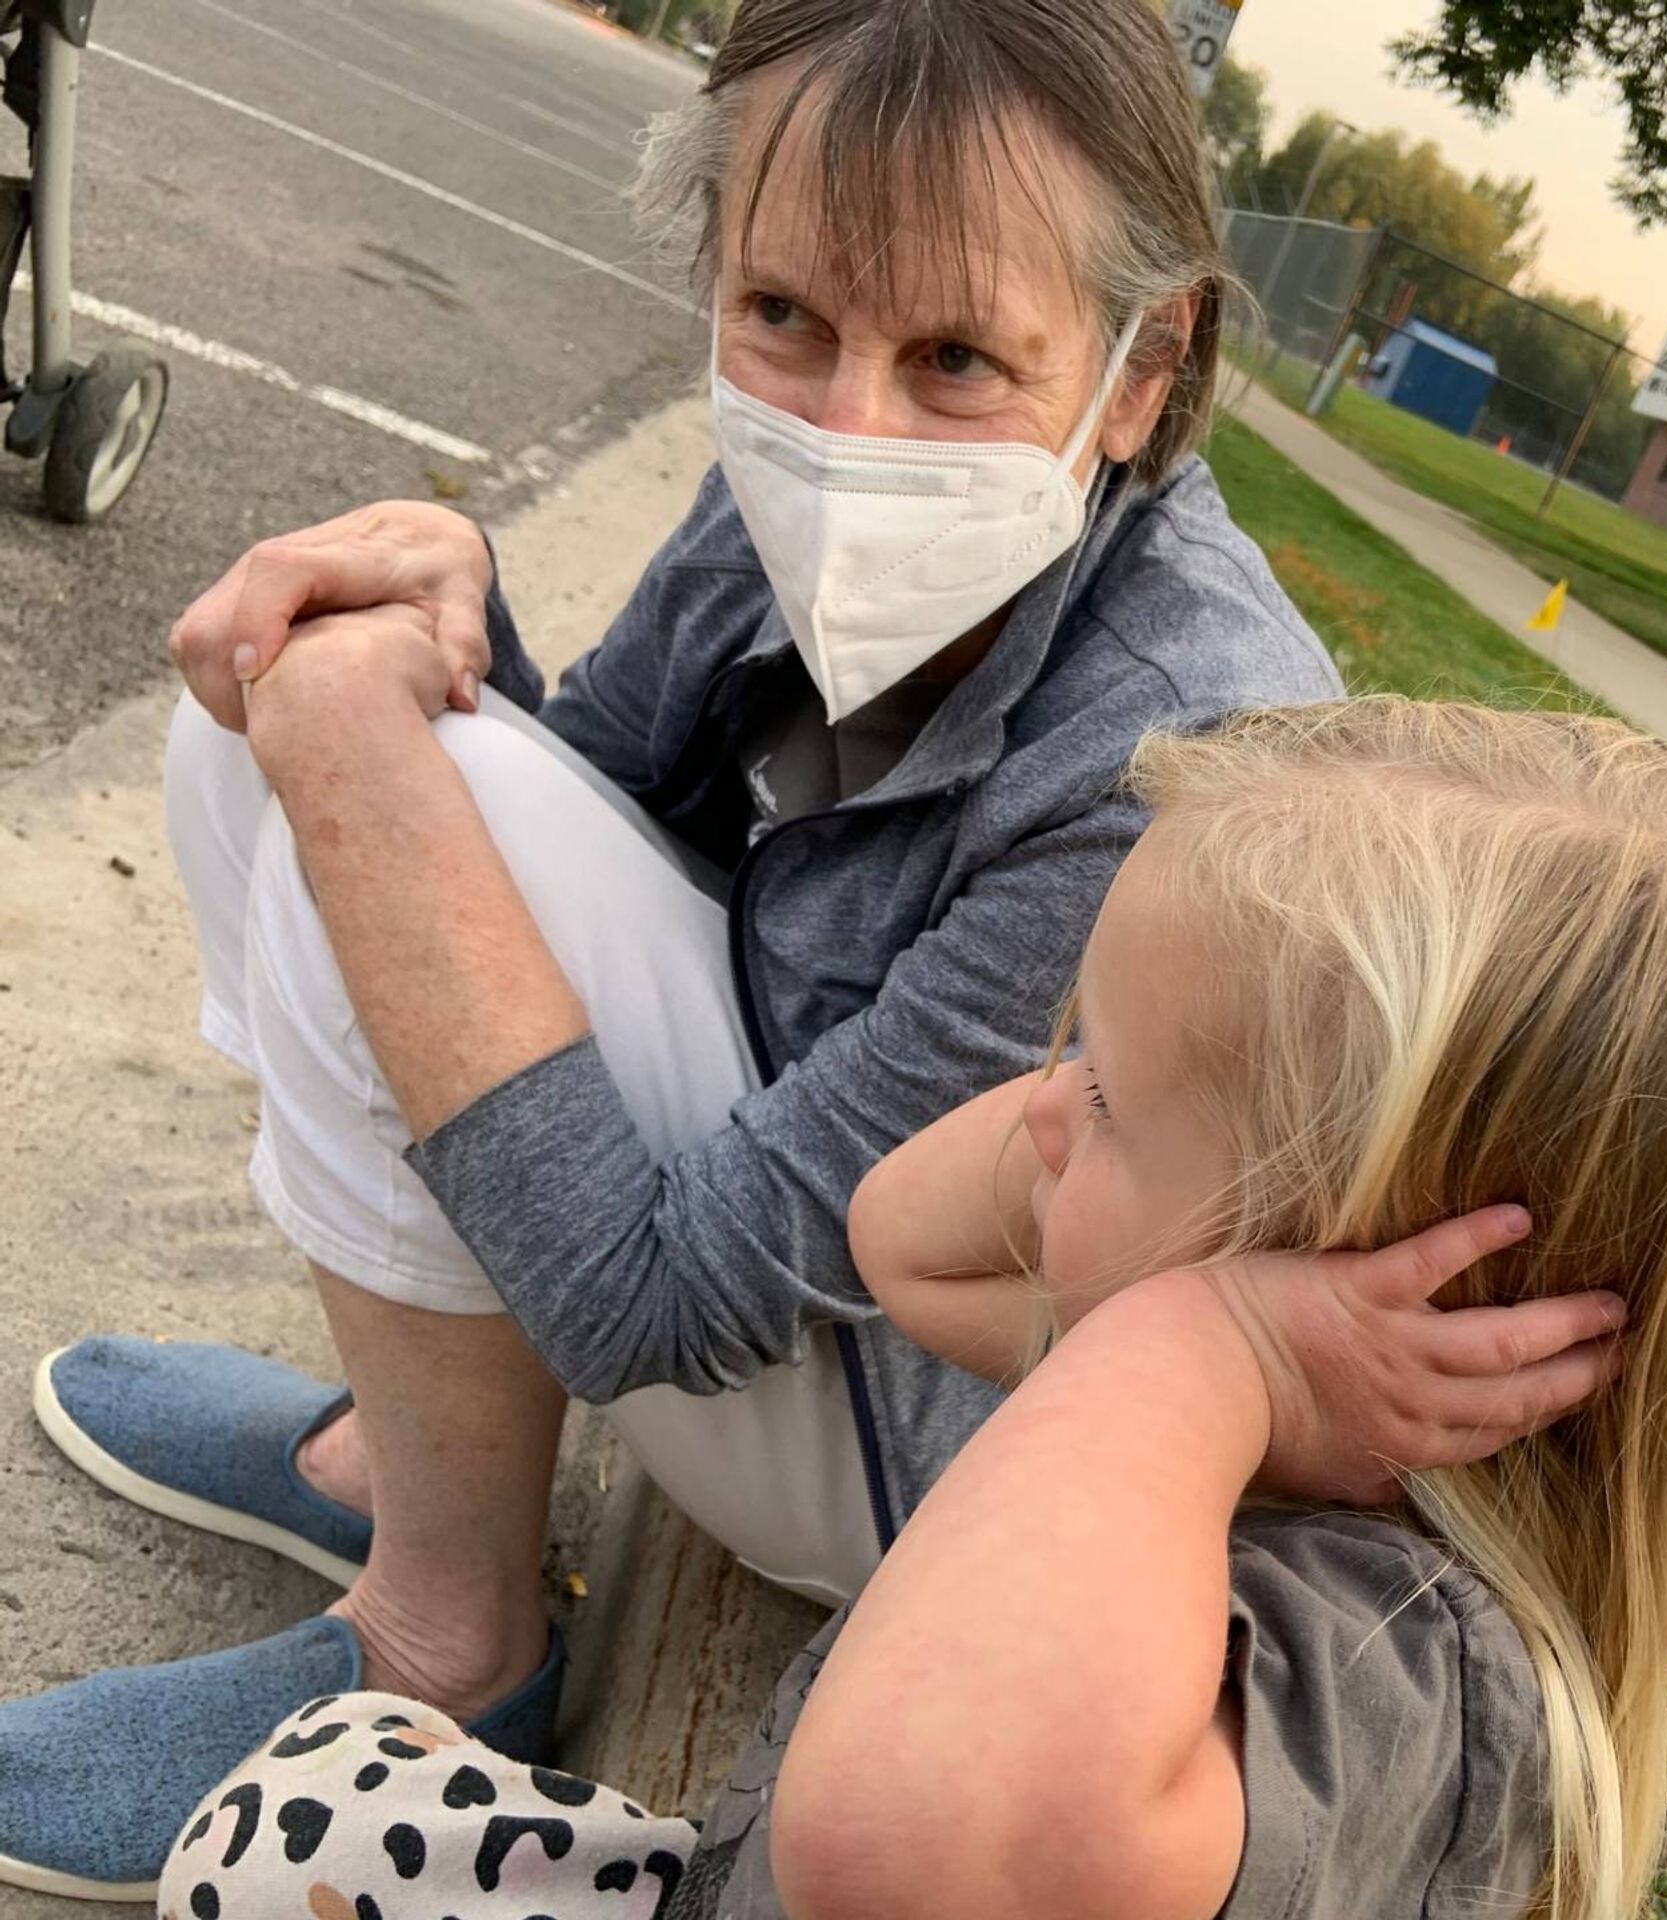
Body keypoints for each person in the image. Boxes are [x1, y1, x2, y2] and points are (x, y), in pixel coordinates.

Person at [0, 0, 1559, 1895]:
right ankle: (395, 1465)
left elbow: (656, 1299)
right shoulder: (788, 480)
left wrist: (377, 745)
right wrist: (452, 616)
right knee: (279, 706)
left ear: (1142, 374)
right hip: (785, 1271)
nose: (848, 423)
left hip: (942, 1439)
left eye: (962, 354)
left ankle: (450, 1641)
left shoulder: (1178, 755)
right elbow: (593, 812)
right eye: (785, 314)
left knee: (365, 770)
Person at [162, 698, 1667, 1920]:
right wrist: (1178, 1268)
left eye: (1106, 1095)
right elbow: (907, 1240)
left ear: (1368, 1254)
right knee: (311, 1796)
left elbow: (903, 1852)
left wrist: (1211, 1342)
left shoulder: (1406, 1672)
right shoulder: (1215, 1434)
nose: (1042, 1111)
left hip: (828, 1852)